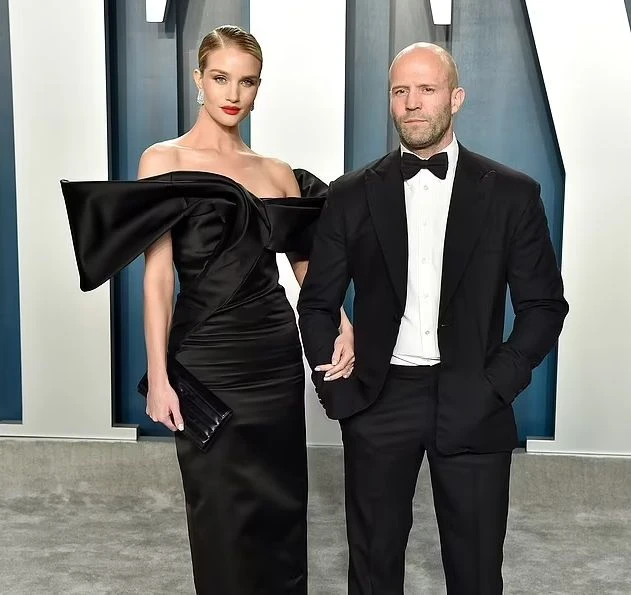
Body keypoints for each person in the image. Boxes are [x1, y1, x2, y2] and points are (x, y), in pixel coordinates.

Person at [61, 25, 354, 594]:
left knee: (280, 508)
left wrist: (342, 322)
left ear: (259, 88)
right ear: (198, 79)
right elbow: (157, 279)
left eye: (247, 82)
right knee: (217, 512)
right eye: (221, 78)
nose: (233, 94)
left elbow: (305, 268)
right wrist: (159, 377)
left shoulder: (276, 172)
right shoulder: (162, 160)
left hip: (273, 358)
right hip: (206, 359)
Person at [297, 42, 568, 594]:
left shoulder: (513, 194)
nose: (412, 102)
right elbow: (317, 303)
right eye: (400, 91)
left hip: (475, 397)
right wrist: (341, 396)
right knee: (372, 573)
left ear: (456, 98)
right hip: (378, 401)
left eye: (427, 89)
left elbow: (543, 306)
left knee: (476, 573)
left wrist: (497, 384)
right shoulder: (350, 195)